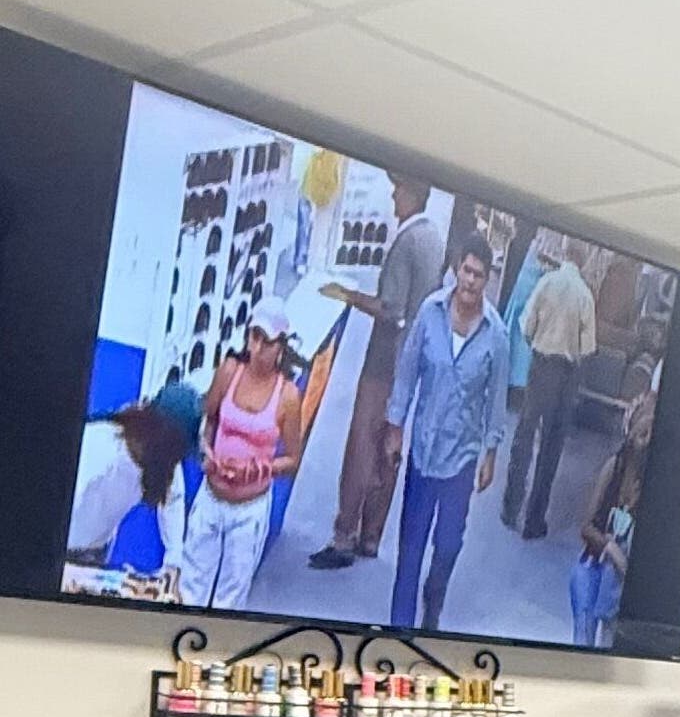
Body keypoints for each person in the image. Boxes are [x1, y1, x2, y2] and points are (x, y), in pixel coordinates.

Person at [311, 174, 441, 568]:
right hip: (410, 363)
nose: (393, 195)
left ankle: (344, 536)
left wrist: (349, 295)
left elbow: (391, 309)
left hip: (384, 361)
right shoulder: (433, 238)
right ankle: (371, 535)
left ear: (414, 193)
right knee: (389, 449)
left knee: (362, 446)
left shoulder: (406, 241)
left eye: (399, 188)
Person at [384, 234, 507, 631]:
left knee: (448, 545)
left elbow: (496, 399)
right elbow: (407, 372)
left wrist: (490, 453)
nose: (470, 281)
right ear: (457, 268)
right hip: (423, 450)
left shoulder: (496, 334)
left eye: (479, 275)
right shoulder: (430, 311)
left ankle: (433, 602)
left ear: (487, 280)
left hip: (461, 458)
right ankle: (400, 628)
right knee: (410, 547)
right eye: (466, 271)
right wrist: (395, 427)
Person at [182, 299, 304, 610]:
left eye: (267, 341)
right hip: (212, 497)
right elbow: (208, 418)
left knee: (231, 597)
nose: (258, 348)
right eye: (254, 337)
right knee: (190, 589)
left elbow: (292, 459)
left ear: (280, 346)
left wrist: (259, 469)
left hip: (249, 509)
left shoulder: (288, 396)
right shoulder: (229, 371)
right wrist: (207, 450)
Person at [503, 237, 599, 540]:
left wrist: (539, 344)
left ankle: (510, 507)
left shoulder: (546, 283)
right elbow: (588, 347)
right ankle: (534, 520)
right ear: (584, 260)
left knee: (524, 434)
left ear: (565, 252)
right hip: (567, 374)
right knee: (551, 446)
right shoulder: (585, 296)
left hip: (541, 366)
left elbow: (526, 326)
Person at [64, 382, 201, 566]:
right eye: (175, 451)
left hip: (95, 552)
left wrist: (173, 562)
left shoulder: (163, 463)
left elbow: (173, 500)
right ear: (159, 438)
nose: (176, 462)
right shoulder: (100, 445)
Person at [569, 393, 650, 648]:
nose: (647, 437)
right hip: (594, 569)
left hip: (621, 591)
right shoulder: (613, 467)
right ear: (630, 429)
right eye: (643, 430)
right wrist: (611, 549)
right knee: (583, 635)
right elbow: (586, 527)